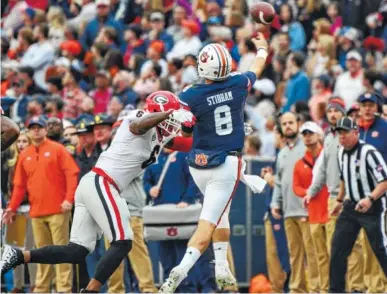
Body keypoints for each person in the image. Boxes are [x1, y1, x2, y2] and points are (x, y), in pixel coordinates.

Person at [0, 91, 196, 293]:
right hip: (103, 182)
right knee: (123, 241)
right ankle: (92, 290)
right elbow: (140, 125)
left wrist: (189, 126)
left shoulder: (161, 136)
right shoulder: (136, 117)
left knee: (76, 251)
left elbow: (188, 144)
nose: (172, 122)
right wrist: (168, 114)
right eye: (169, 116)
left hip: (96, 185)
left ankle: (16, 256)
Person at [159, 33, 269, 293]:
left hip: (198, 165)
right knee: (207, 224)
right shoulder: (239, 83)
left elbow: (184, 132)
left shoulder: (191, 94)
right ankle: (179, 272)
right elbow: (257, 67)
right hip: (225, 166)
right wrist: (262, 48)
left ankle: (221, 265)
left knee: (222, 216)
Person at [2, 116, 80, 293]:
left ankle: (63, 289)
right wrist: (11, 208)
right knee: (40, 253)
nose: (36, 130)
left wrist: (69, 199)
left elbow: (72, 174)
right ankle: (43, 288)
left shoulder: (58, 149)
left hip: (59, 209)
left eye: (39, 127)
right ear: (29, 131)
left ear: (45, 130)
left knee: (62, 251)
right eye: (33, 127)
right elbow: (19, 186)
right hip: (36, 212)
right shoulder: (25, 155)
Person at [305, 97, 365, 292]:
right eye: (329, 111)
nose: (332, 114)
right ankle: (338, 287)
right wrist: (312, 192)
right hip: (333, 199)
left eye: (336, 111)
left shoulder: (354, 135)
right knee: (335, 246)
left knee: (355, 244)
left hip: (353, 197)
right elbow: (321, 169)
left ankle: (355, 286)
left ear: (343, 113)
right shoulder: (329, 138)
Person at [329, 117, 387, 293]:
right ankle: (335, 290)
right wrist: (339, 201)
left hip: (373, 207)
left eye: (345, 132)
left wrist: (370, 199)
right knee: (338, 249)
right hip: (351, 207)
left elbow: (384, 181)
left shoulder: (368, 152)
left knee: (381, 249)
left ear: (356, 132)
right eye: (339, 133)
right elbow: (344, 178)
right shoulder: (340, 152)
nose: (341, 136)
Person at [293, 121, 329, 292]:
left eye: (310, 133)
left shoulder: (328, 156)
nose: (307, 137)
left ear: (319, 135)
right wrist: (309, 192)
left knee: (336, 253)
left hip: (330, 210)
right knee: (319, 255)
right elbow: (296, 186)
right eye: (305, 134)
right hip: (314, 212)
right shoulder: (300, 163)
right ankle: (323, 288)